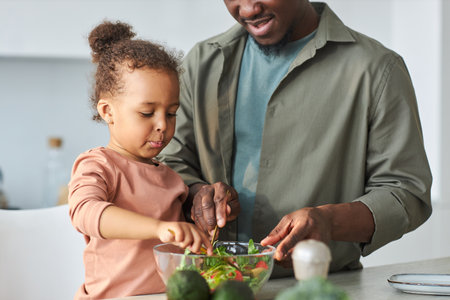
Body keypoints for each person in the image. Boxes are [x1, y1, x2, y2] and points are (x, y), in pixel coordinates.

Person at [159, 0, 432, 277]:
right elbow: (169, 161)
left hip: (319, 288)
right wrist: (197, 194)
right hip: (209, 284)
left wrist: (328, 221)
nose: (248, 9)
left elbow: (406, 193)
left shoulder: (376, 69)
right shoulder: (201, 62)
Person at [68, 20, 213, 299]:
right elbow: (85, 213)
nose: (162, 125)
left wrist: (199, 229)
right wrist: (159, 229)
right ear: (108, 111)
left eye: (171, 113)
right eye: (147, 113)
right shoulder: (98, 165)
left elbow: (178, 241)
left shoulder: (171, 177)